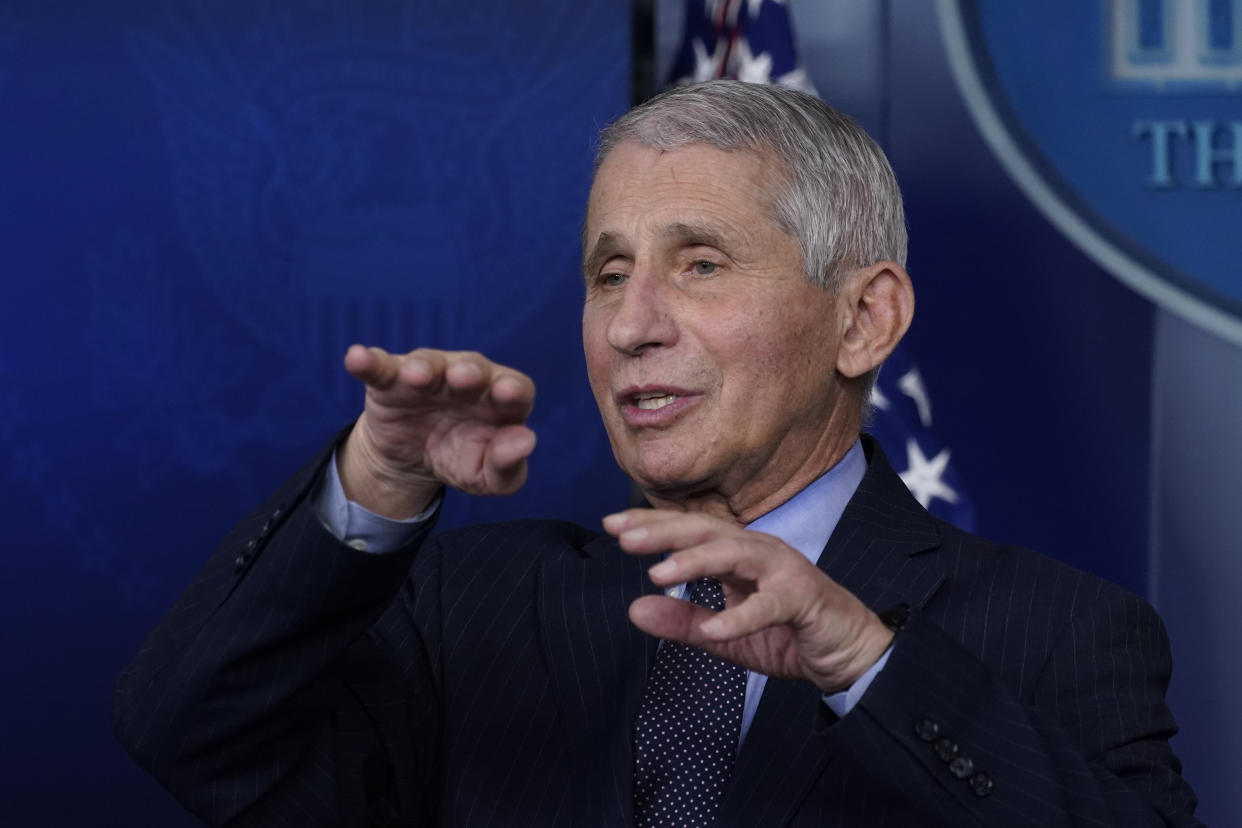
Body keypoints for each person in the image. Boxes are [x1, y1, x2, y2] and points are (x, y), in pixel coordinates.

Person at [114, 80, 1202, 827]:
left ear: (864, 320)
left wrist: (863, 664)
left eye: (701, 265)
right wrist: (377, 485)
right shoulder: (467, 609)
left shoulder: (1059, 633)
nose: (633, 324)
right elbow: (190, 734)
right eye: (607, 273)